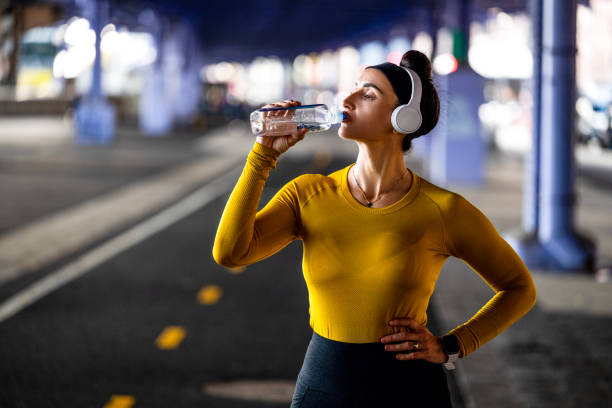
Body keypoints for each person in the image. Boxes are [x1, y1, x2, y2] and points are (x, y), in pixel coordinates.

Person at [212, 50, 537, 407]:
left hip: (409, 390)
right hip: (324, 384)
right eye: (353, 88)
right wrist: (263, 155)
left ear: (404, 118)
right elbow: (230, 253)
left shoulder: (444, 210)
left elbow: (519, 288)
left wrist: (451, 347)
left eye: (368, 94)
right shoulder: (307, 194)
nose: (347, 99)